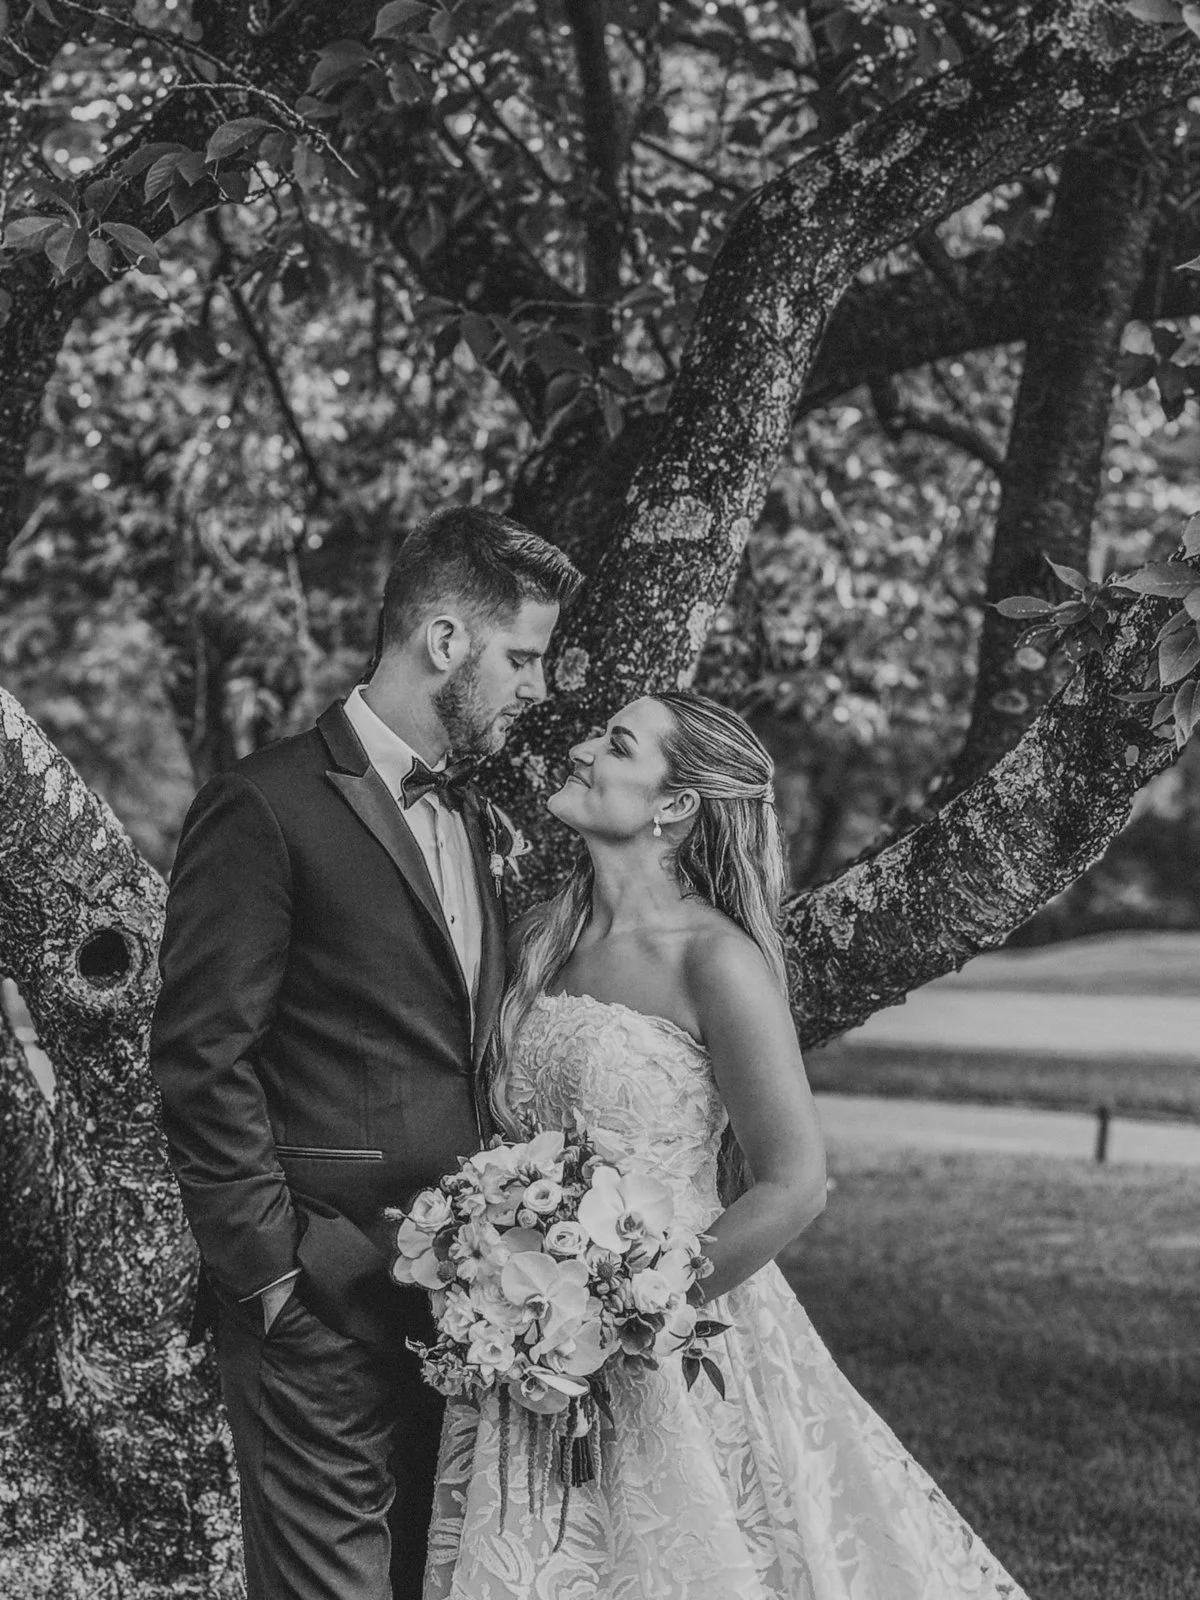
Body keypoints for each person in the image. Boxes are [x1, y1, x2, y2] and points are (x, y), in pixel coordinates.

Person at [424, 689, 1028, 1600]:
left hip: (669, 1342)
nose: (584, 748)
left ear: (676, 807)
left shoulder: (717, 961)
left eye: (617, 743)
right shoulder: (541, 936)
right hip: (527, 1351)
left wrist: (621, 1316)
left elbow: (794, 1183)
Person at [149, 505, 581, 1600]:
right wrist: (276, 1275)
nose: (534, 689)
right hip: (324, 1295)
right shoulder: (264, 805)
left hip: (467, 1311)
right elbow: (203, 1059)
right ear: (446, 641)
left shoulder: (475, 821)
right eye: (520, 658)